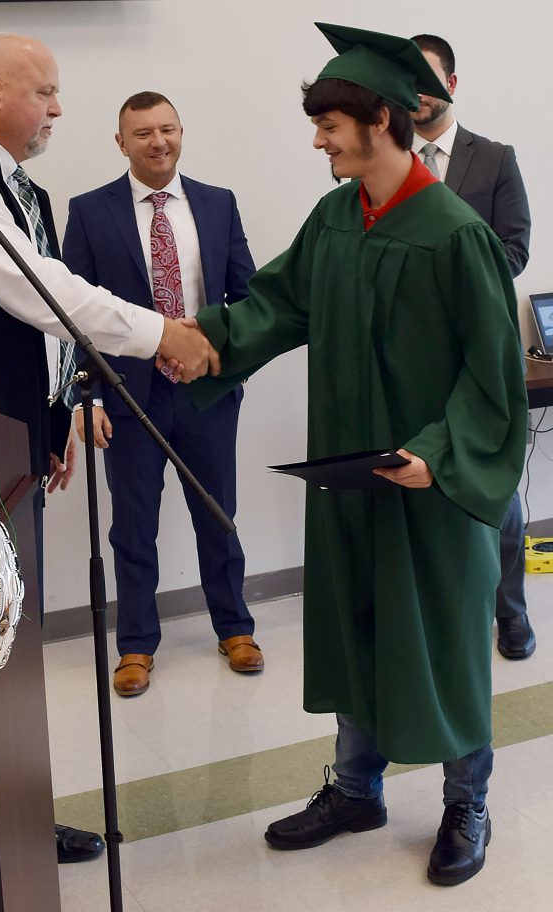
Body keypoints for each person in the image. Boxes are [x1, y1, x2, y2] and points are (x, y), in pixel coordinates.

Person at [179, 23, 527, 886]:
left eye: (330, 124)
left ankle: (465, 800)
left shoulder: (454, 233)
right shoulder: (337, 217)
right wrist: (204, 341)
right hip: (349, 473)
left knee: (446, 637)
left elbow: (496, 377)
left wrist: (439, 453)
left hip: (430, 485)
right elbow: (277, 306)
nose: (318, 140)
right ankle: (356, 787)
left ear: (378, 120)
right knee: (355, 624)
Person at [0, 33, 215, 865]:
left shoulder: (20, 189)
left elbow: (34, 330)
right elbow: (37, 289)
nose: (58, 109)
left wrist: (56, 416)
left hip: (11, 452)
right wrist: (159, 332)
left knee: (5, 648)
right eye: (45, 93)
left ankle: (8, 815)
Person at [62, 92, 260, 696]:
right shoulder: (91, 211)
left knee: (217, 515)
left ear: (182, 133)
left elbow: (247, 295)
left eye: (167, 129)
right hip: (129, 397)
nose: (157, 141)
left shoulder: (217, 204)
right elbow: (72, 313)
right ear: (121, 143)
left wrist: (227, 357)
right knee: (133, 527)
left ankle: (235, 628)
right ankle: (136, 646)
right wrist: (84, 398)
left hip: (205, 394)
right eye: (142, 133)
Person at [411, 33, 535, 660]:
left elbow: (515, 248)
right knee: (421, 484)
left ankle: (508, 612)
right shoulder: (387, 165)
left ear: (452, 86)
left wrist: (450, 285)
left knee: (498, 493)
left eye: (426, 79)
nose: (416, 92)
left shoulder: (494, 158)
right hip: (414, 360)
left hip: (482, 351)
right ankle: (440, 618)